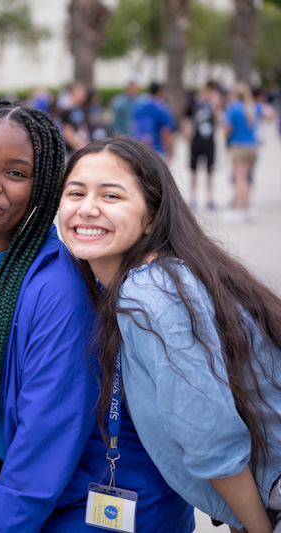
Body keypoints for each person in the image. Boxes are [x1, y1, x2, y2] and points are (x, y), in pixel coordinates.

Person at [0, 101, 193, 532]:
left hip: (98, 501)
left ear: (43, 188)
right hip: (24, 499)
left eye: (15, 172)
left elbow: (43, 443)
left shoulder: (58, 287)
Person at [59, 135, 281, 532]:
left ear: (150, 218)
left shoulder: (149, 293)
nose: (87, 208)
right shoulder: (159, 275)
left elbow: (210, 437)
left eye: (111, 196)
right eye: (76, 192)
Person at [222, 82, 263, 223]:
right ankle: (250, 208)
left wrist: (225, 139)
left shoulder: (233, 108)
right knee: (245, 178)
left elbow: (227, 128)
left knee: (239, 179)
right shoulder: (253, 107)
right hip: (252, 146)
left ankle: (237, 209)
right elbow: (268, 112)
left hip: (239, 146)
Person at [185, 80, 220, 211]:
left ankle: (210, 198)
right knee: (193, 169)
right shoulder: (195, 102)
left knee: (210, 170)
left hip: (209, 141)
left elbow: (218, 120)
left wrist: (216, 106)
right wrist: (186, 132)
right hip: (196, 140)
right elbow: (187, 118)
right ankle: (193, 198)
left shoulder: (213, 104)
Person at [131, 81, 176, 161]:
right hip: (157, 149)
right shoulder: (162, 107)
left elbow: (133, 124)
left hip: (138, 149)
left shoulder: (139, 105)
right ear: (160, 91)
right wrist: (170, 151)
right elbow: (166, 131)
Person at [60, 81, 90, 156]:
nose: (83, 94)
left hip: (81, 145)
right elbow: (67, 130)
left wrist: (86, 142)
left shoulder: (81, 108)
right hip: (70, 150)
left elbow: (83, 126)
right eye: (80, 91)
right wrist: (77, 146)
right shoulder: (67, 109)